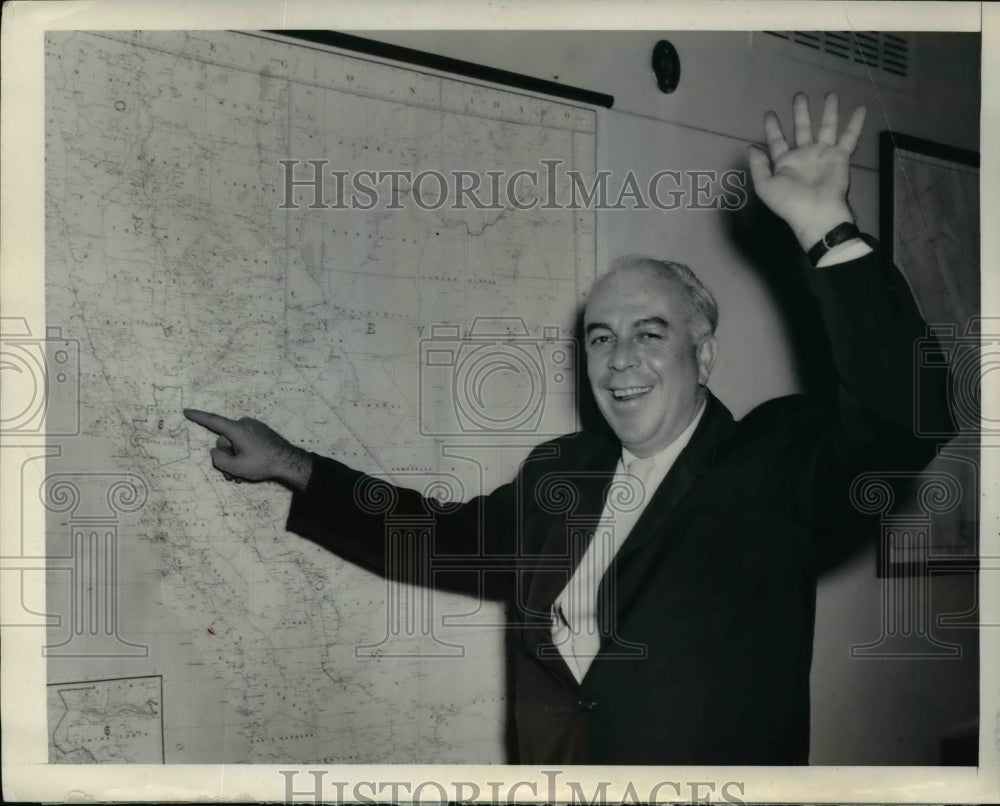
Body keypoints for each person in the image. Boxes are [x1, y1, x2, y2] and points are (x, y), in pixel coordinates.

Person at [184, 92, 949, 764]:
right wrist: (292, 464)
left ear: (704, 353)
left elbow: (906, 415)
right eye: (599, 337)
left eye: (650, 334)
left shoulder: (771, 464)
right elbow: (433, 536)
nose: (620, 362)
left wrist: (827, 228)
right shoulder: (564, 472)